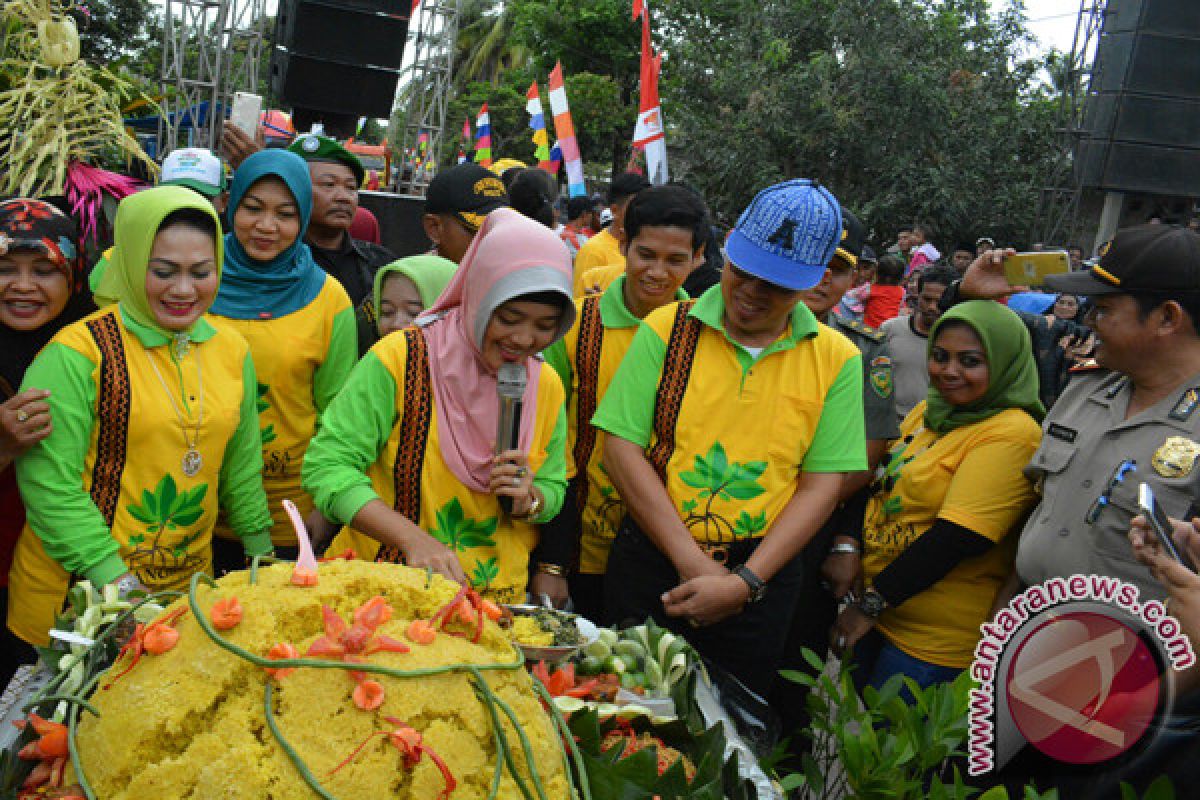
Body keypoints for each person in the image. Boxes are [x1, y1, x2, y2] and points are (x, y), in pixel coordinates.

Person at [592, 179, 866, 695]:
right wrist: (690, 561)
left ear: (815, 281)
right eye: (744, 273)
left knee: (731, 733)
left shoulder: (837, 359)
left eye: (778, 286)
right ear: (730, 247)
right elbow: (621, 450)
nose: (752, 295)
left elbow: (820, 486)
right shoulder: (666, 329)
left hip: (762, 574)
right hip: (654, 560)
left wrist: (746, 583)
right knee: (624, 716)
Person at [8, 187, 274, 648]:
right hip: (79, 601)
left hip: (187, 595)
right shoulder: (76, 353)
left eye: (202, 272)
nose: (184, 290)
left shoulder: (231, 350)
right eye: (164, 272)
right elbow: (50, 487)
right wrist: (122, 586)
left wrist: (261, 555)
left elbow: (241, 466)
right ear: (131, 263)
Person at [304, 208, 573, 603]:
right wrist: (411, 539)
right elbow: (328, 467)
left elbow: (553, 483)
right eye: (510, 318)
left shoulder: (543, 382)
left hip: (493, 599)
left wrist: (530, 500)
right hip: (384, 590)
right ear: (480, 297)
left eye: (545, 326)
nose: (524, 339)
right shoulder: (402, 358)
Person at [943, 225, 1200, 603]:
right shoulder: (1085, 387)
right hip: (1030, 628)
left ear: (1167, 318)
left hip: (1135, 653)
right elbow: (1041, 511)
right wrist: (966, 296)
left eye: (1105, 309)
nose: (1089, 321)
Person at [831, 301, 1044, 690]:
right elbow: (880, 480)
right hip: (884, 617)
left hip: (931, 644)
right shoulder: (932, 411)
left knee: (898, 746)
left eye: (970, 361)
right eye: (941, 356)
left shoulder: (1013, 432)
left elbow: (957, 538)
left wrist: (869, 607)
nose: (949, 371)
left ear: (1004, 363)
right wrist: (847, 545)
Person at [537, 185, 705, 618]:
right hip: (581, 540)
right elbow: (549, 442)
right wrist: (551, 561)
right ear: (624, 246)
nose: (657, 272)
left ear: (698, 257)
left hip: (668, 549)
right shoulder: (574, 326)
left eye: (675, 260)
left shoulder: (708, 335)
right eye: (646, 254)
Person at [773, 208, 899, 750]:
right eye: (812, 262)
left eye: (838, 267)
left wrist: (844, 539)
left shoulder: (865, 354)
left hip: (810, 532)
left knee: (789, 671)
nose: (823, 276)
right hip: (716, 517)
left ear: (856, 278)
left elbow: (863, 466)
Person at [207, 150, 357, 567]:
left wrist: (327, 504)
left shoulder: (330, 300)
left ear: (304, 217)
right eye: (252, 209)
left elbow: (338, 416)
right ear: (231, 205)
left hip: (288, 510)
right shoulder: (196, 279)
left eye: (285, 214)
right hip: (192, 500)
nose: (266, 227)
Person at [0, 199, 96, 679]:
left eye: (44, 269)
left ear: (75, 275)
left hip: (75, 577)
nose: (22, 286)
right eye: (5, 269)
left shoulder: (98, 351)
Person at [286, 134, 396, 306]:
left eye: (351, 188)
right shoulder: (278, 260)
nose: (344, 198)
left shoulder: (381, 264)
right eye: (329, 184)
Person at [883, 266, 957, 422]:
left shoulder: (958, 342)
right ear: (917, 296)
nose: (932, 307)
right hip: (889, 422)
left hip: (931, 424)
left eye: (939, 301)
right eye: (927, 299)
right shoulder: (890, 329)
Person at [356, 255, 458, 354]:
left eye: (413, 313)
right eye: (387, 312)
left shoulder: (469, 369)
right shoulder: (372, 365)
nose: (396, 324)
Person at [572, 172, 650, 294]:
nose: (643, 213)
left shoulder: (651, 246)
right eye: (636, 207)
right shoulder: (593, 251)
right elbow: (581, 304)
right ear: (614, 210)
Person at [422, 163, 509, 265]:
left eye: (503, 231)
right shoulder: (415, 279)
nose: (495, 242)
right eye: (478, 232)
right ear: (434, 228)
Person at [862, 253, 905, 327]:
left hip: (869, 327)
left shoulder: (870, 289)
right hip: (888, 329)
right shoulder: (902, 291)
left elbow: (850, 297)